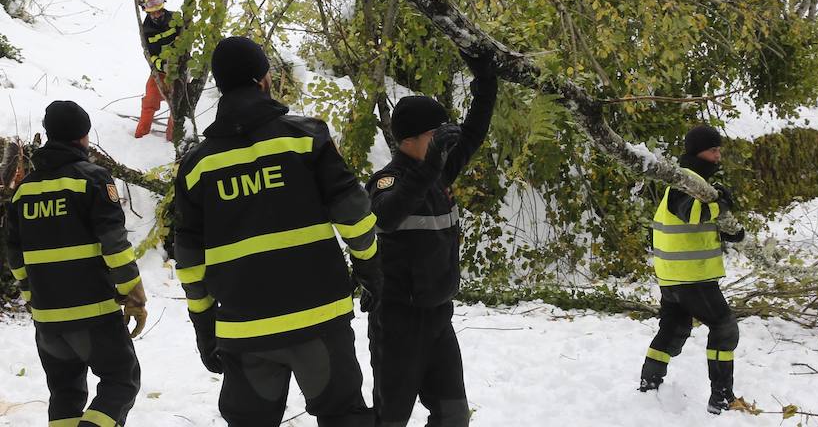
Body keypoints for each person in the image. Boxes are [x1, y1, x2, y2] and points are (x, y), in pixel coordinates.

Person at [174, 36, 380, 427]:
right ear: (263, 79)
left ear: (220, 86)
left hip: (244, 328)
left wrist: (204, 325)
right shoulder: (305, 137)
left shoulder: (197, 165)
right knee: (344, 417)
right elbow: (353, 213)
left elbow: (189, 258)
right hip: (319, 319)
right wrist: (371, 269)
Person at [366, 50, 497, 427]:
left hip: (439, 319)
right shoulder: (386, 180)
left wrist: (486, 82)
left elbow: (474, 132)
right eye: (436, 135)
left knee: (453, 416)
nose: (445, 142)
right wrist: (430, 166)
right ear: (412, 140)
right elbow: (387, 216)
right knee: (390, 418)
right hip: (397, 324)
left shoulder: (438, 171)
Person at [5, 100, 146, 426]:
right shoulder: (92, 180)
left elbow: (16, 257)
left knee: (65, 394)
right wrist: (134, 294)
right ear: (83, 137)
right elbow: (114, 245)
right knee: (121, 380)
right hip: (94, 313)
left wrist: (32, 299)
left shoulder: (23, 193)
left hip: (48, 321)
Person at [638, 124, 745, 414]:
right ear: (698, 152)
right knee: (724, 328)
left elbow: (690, 224)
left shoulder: (691, 181)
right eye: (713, 151)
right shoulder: (686, 181)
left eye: (719, 150)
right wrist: (720, 205)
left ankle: (649, 386)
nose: (718, 157)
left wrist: (726, 231)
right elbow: (691, 213)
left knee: (674, 328)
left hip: (673, 275)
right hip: (692, 277)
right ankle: (722, 398)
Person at [135, 0, 179, 141]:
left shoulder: (176, 18)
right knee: (150, 100)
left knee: (176, 105)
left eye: (159, 11)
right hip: (160, 70)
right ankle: (141, 135)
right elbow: (150, 54)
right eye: (152, 13)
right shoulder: (146, 30)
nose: (156, 15)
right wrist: (161, 65)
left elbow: (187, 38)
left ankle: (173, 139)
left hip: (179, 70)